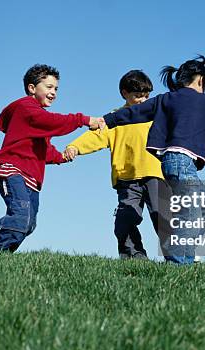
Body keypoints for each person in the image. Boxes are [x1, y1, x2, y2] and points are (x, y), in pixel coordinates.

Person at [103, 55, 205, 264]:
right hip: (180, 163)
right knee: (189, 212)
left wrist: (107, 120)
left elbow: (136, 112)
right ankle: (177, 262)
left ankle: (186, 255)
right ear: (200, 80)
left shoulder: (166, 99)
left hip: (176, 164)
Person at [0, 64, 103, 252]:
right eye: (49, 87)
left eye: (56, 88)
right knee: (20, 217)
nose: (53, 92)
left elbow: (45, 151)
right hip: (12, 168)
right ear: (32, 88)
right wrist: (83, 119)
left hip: (32, 178)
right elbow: (51, 122)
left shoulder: (39, 119)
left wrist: (63, 156)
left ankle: (3, 256)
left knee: (29, 224)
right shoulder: (26, 108)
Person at [64, 70, 171, 259]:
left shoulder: (156, 116)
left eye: (146, 95)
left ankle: (179, 257)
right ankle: (134, 258)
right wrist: (75, 147)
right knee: (125, 220)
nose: (143, 100)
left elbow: (179, 136)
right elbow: (96, 135)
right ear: (124, 93)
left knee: (162, 216)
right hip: (127, 179)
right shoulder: (117, 117)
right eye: (137, 96)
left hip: (155, 175)